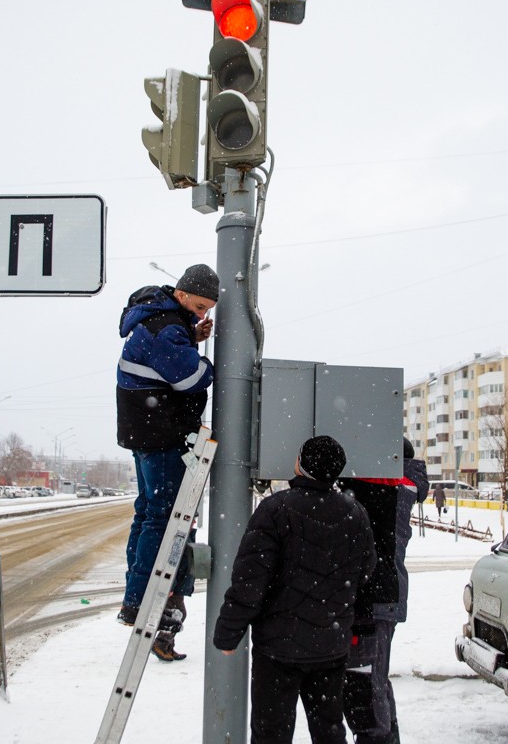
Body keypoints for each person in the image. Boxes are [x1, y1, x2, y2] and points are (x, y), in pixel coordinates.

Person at [213, 436, 376, 744]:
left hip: (278, 650)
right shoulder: (355, 513)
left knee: (271, 734)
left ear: (300, 465)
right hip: (331, 644)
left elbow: (249, 582)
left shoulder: (275, 509)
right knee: (329, 731)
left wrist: (228, 633)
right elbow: (365, 570)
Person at [116, 263, 218, 662]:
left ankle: (138, 595)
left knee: (148, 513)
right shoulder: (166, 327)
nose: (202, 314)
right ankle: (144, 600)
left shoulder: (160, 319)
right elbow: (190, 377)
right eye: (198, 305)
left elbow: (164, 360)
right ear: (181, 294)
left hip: (147, 430)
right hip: (162, 432)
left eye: (207, 309)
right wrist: (212, 365)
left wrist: (190, 335)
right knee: (163, 516)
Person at [336, 438, 428, 744]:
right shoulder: (400, 484)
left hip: (375, 598)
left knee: (364, 686)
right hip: (381, 596)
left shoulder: (390, 485)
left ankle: (378, 738)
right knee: (373, 681)